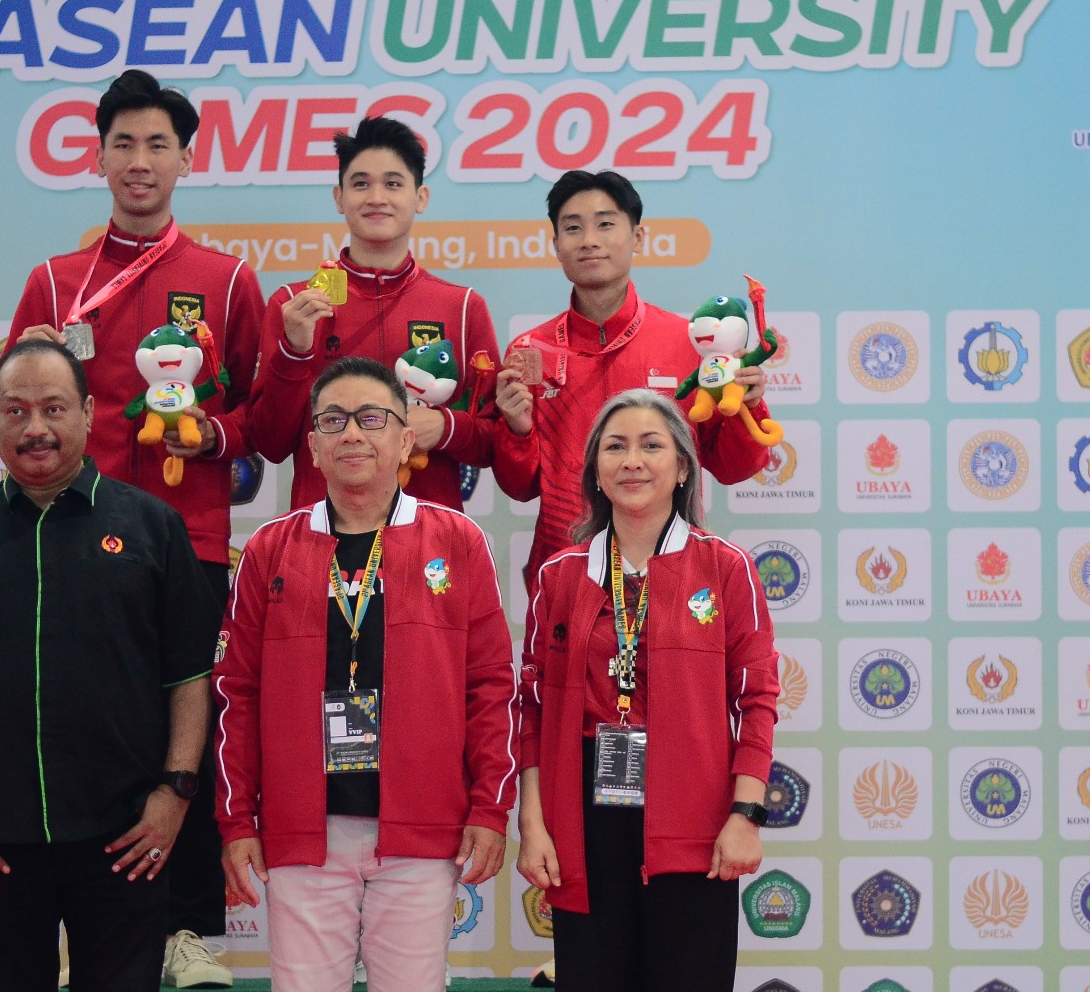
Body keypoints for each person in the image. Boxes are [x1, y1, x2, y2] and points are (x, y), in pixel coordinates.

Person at [7, 68, 258, 987]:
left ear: (186, 160)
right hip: (68, 540)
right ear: (100, 157)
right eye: (124, 144)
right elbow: (16, 398)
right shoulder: (55, 282)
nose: (140, 161)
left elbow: (266, 415)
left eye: (158, 144)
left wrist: (213, 435)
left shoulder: (227, 280)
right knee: (83, 728)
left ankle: (186, 930)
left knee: (188, 732)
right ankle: (93, 933)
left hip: (190, 541)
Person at [0, 339, 220, 990]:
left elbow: (190, 677)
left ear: (87, 414)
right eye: (16, 410)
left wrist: (174, 795)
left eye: (54, 408)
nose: (36, 427)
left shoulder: (152, 526)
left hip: (126, 841)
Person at [216, 357, 518, 992]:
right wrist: (237, 821)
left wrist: (490, 809)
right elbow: (237, 694)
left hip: (421, 828)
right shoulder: (271, 549)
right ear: (313, 447)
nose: (352, 432)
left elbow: (491, 688)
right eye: (334, 420)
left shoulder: (457, 540)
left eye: (372, 418)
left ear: (406, 440)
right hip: (302, 830)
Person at [515, 388, 779, 991]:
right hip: (583, 817)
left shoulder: (725, 567)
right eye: (615, 447)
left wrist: (745, 814)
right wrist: (533, 824)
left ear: (682, 467)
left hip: (695, 814)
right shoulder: (560, 575)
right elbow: (531, 708)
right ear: (595, 471)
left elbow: (757, 699)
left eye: (651, 446)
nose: (632, 461)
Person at [491, 169, 773, 594]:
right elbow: (520, 487)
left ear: (638, 237)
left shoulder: (689, 344)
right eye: (573, 228)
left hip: (673, 573)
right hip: (568, 576)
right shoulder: (531, 351)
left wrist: (747, 405)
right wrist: (516, 430)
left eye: (605, 224)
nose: (589, 240)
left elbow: (737, 468)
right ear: (556, 246)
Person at [249, 115, 500, 511]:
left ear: (420, 197)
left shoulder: (464, 307)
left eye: (393, 184)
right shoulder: (294, 304)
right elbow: (270, 443)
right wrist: (294, 351)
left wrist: (446, 427)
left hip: (430, 535)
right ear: (339, 197)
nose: (377, 197)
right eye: (361, 183)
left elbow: (496, 442)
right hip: (324, 531)